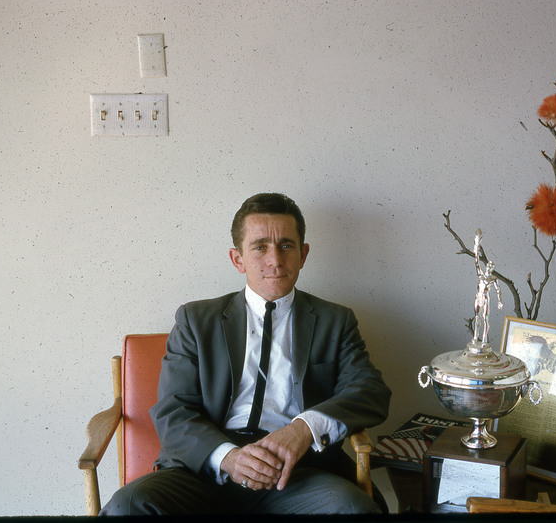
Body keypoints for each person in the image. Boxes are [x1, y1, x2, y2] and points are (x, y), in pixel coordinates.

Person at [100, 193, 392, 515]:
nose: (275, 260)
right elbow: (173, 410)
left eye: (286, 246)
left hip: (296, 473)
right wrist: (228, 457)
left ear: (303, 254)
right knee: (126, 506)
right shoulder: (196, 320)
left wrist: (302, 430)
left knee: (353, 509)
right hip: (205, 470)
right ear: (237, 259)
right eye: (260, 246)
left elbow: (369, 391)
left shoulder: (335, 321)